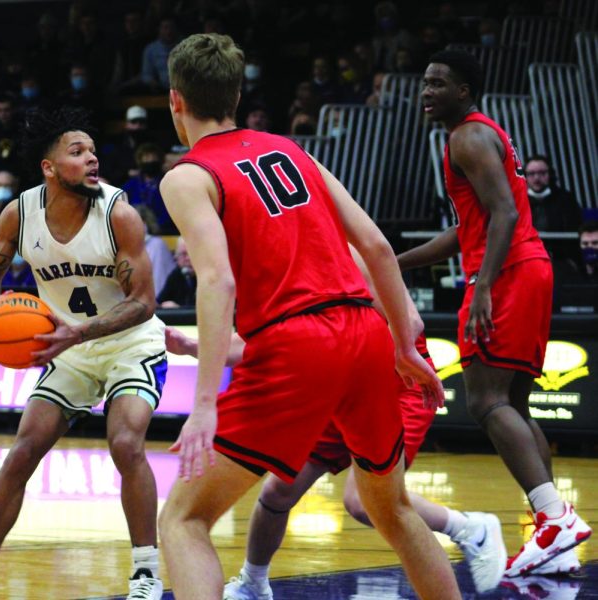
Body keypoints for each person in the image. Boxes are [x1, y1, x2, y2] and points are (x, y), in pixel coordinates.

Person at [155, 34, 460, 600]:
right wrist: (404, 344)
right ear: (237, 94)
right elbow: (375, 246)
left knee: (183, 519)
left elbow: (217, 280)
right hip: (365, 329)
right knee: (391, 510)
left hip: (296, 343)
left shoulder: (187, 176)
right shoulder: (292, 151)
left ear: (176, 100)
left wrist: (202, 406)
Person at [168, 245, 508, 597]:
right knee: (278, 491)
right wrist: (193, 347)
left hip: (396, 383)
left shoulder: (344, 252)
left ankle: (470, 529)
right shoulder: (270, 264)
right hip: (338, 380)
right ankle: (253, 584)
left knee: (365, 503)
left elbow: (411, 321)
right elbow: (257, 344)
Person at [0, 106, 166, 600]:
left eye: (92, 150)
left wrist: (79, 334)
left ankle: (147, 574)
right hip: (67, 346)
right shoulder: (19, 213)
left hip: (129, 343)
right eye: (77, 152)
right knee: (23, 450)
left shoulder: (118, 213)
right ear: (49, 168)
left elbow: (144, 303)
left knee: (125, 444)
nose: (92, 159)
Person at [398, 49, 591, 578]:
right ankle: (557, 544)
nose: (427, 90)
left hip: (507, 273)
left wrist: (482, 288)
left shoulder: (466, 136)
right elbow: (471, 228)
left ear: (464, 91)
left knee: (484, 402)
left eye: (440, 83)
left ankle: (555, 518)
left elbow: (504, 212)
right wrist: (398, 262)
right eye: (425, 81)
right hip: (527, 268)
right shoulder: (480, 134)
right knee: (515, 407)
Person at [523, 154, 583, 262]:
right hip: (528, 257)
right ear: (525, 176)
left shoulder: (565, 199)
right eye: (531, 173)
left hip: (563, 258)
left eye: (542, 173)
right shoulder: (519, 200)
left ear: (550, 174)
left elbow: (576, 228)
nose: (537, 177)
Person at [157, 236, 196, 308]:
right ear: (176, 257)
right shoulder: (176, 275)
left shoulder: (208, 277)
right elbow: (159, 302)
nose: (188, 258)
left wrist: (179, 309)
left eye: (192, 253)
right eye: (184, 254)